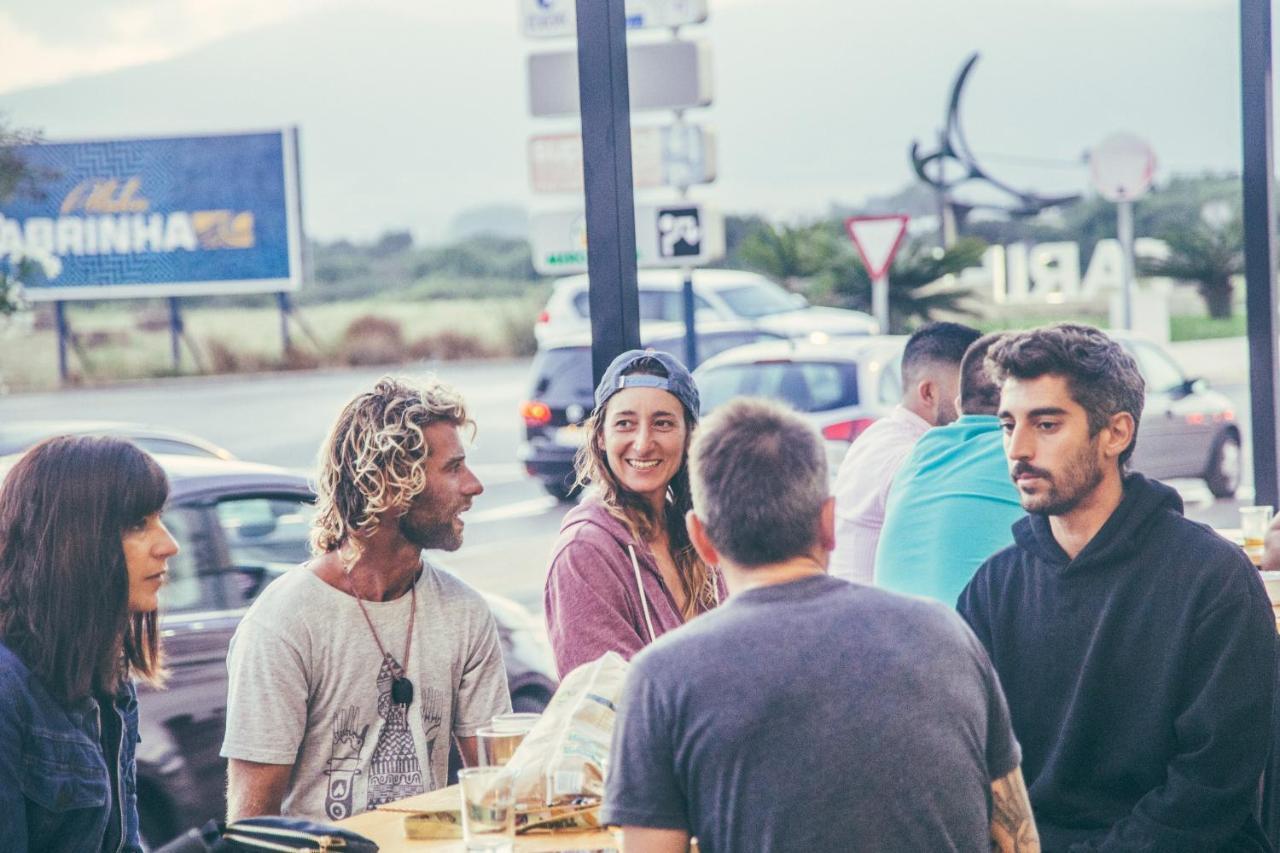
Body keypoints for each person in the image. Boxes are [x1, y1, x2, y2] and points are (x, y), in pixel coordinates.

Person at [604, 397, 1040, 853]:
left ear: (702, 539)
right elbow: (1019, 839)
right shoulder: (947, 634)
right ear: (829, 523)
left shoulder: (662, 678)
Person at [958, 323, 1275, 852]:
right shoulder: (994, 588)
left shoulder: (1212, 578)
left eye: (1047, 424)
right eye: (1007, 425)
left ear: (1116, 434)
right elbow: (969, 765)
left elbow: (1210, 789)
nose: (1017, 449)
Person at [222, 376, 510, 822]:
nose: (474, 486)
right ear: (391, 484)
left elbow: (498, 789)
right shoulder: (283, 623)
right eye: (453, 468)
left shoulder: (464, 611)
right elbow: (251, 827)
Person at [0, 435, 177, 851]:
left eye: (159, 518)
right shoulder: (8, 692)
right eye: (138, 524)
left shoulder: (109, 679)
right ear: (73, 542)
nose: (169, 544)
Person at [544, 349, 722, 678]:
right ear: (600, 437)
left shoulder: (698, 534)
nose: (642, 443)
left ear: (689, 437)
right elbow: (607, 696)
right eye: (625, 424)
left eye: (663, 423)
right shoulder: (583, 552)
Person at [874, 332, 1024, 604]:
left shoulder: (920, 453)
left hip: (887, 635)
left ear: (959, 407)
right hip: (968, 641)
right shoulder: (1022, 456)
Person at [828, 321, 981, 584]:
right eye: (971, 392)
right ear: (929, 392)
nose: (983, 403)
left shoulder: (878, 435)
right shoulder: (918, 458)